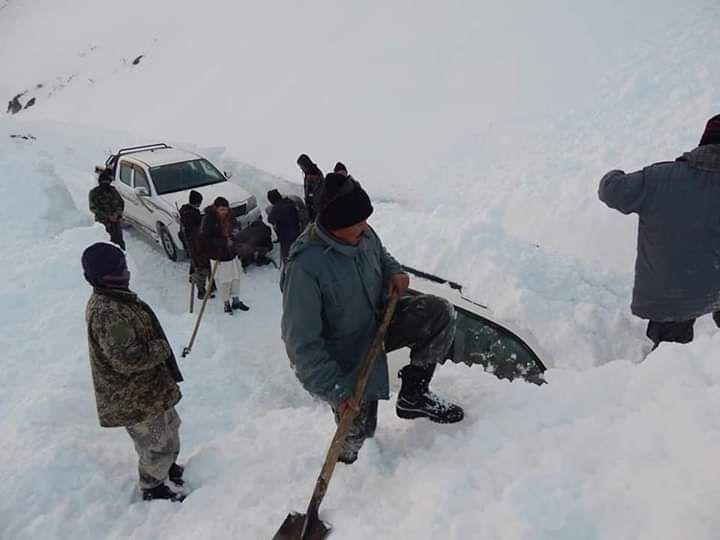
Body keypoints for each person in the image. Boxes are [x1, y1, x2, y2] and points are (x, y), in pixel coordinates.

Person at [281, 173, 464, 465]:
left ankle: (413, 396)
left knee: (438, 313)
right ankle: (348, 461)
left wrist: (394, 271)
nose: (366, 228)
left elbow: (380, 254)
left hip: (380, 320)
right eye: (359, 224)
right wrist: (335, 389)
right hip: (347, 356)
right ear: (335, 227)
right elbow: (301, 344)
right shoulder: (305, 267)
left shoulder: (362, 233)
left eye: (366, 222)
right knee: (359, 429)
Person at [598, 114, 720, 350]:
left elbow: (610, 189)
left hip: (672, 296)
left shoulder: (659, 179)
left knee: (670, 361)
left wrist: (614, 173)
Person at [82, 242, 185, 502]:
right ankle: (153, 487)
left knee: (170, 428)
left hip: (150, 389)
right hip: (135, 399)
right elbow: (128, 359)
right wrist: (161, 348)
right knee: (156, 443)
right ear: (105, 274)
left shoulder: (117, 297)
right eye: (121, 268)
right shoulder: (107, 312)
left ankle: (168, 467)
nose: (126, 272)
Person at [200, 196, 249, 314]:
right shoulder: (208, 219)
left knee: (236, 278)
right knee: (223, 281)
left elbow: (236, 225)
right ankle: (226, 304)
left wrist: (236, 231)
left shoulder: (230, 215)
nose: (224, 212)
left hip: (231, 254)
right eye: (221, 210)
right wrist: (223, 242)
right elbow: (205, 238)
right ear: (216, 208)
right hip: (218, 256)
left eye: (225, 210)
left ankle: (236, 300)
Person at [179, 190, 213, 299]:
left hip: (191, 244)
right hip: (197, 245)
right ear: (197, 202)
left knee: (196, 263)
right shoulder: (192, 216)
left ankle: (192, 277)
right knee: (202, 267)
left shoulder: (186, 211)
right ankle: (201, 292)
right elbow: (198, 231)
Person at [89, 167, 126, 250]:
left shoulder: (113, 191)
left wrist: (116, 214)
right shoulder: (94, 193)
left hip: (115, 223)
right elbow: (93, 208)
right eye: (104, 181)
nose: (106, 183)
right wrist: (108, 216)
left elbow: (121, 203)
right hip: (103, 223)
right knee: (106, 244)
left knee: (119, 243)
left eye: (107, 181)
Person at [266, 189, 302, 265]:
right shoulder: (289, 201)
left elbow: (270, 219)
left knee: (286, 254)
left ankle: (288, 267)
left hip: (286, 236)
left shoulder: (277, 208)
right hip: (297, 230)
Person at [296, 153, 324, 221]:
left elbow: (317, 191)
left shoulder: (313, 174)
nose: (301, 168)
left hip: (316, 206)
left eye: (301, 166)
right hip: (313, 205)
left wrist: (310, 200)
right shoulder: (309, 173)